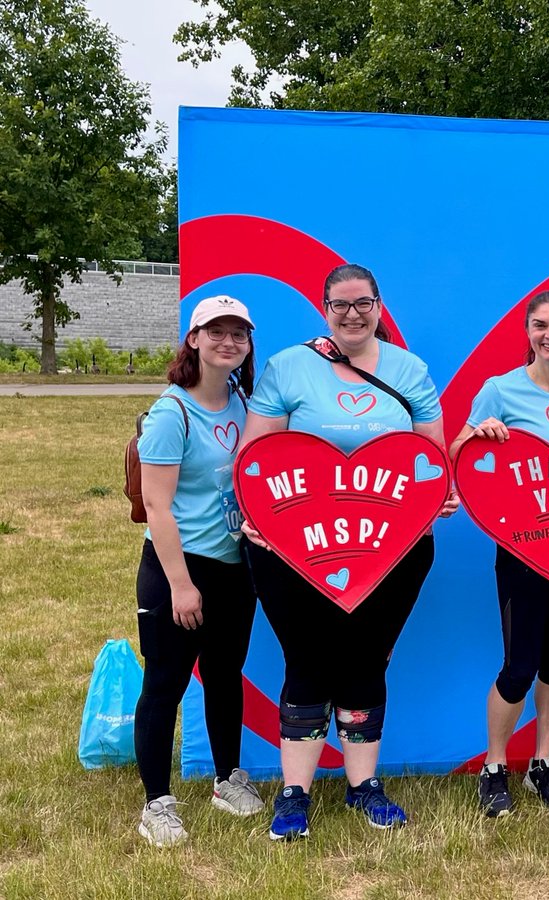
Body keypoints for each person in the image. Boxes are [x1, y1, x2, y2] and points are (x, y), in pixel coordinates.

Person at [241, 263, 458, 840]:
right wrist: (253, 518)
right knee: (307, 661)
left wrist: (440, 497)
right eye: (340, 305)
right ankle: (295, 794)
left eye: (363, 303)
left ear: (380, 305)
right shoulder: (290, 366)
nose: (353, 314)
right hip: (294, 550)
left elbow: (430, 460)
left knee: (366, 658)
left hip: (391, 551)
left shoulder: (409, 370)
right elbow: (255, 456)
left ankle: (363, 787)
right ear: (325, 308)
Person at [449, 290, 549, 818]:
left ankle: (544, 761)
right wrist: (479, 435)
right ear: (528, 331)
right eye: (540, 325)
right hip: (521, 551)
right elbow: (457, 457)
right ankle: (495, 767)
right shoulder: (499, 389)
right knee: (519, 665)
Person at [134, 295, 260, 847]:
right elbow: (158, 506)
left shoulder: (243, 399)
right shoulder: (172, 412)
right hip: (178, 570)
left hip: (235, 567)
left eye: (238, 333)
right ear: (194, 340)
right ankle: (156, 803)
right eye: (216, 332)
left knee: (226, 676)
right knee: (165, 683)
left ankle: (227, 779)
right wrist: (181, 585)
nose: (227, 342)